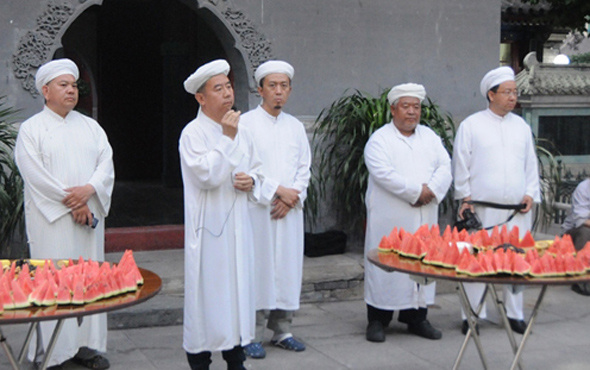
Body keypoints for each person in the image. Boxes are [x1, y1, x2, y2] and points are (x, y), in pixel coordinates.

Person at [14, 58, 114, 370]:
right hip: (53, 222)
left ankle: (86, 347)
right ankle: (51, 352)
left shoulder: (90, 126)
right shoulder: (31, 130)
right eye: (63, 85)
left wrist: (90, 189)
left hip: (87, 222)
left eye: (73, 85)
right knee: (54, 280)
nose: (71, 90)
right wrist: (75, 202)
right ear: (45, 91)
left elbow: (106, 163)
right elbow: (36, 176)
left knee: (89, 281)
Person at [179, 59, 262, 370]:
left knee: (237, 294)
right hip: (209, 233)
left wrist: (252, 181)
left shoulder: (244, 131)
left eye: (228, 86)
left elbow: (259, 170)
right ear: (201, 98)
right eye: (218, 89)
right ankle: (200, 359)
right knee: (208, 297)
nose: (228, 94)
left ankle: (235, 357)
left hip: (238, 228)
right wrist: (226, 139)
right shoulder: (193, 134)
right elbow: (207, 177)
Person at [452, 66, 541, 335]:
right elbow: (461, 164)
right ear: (491, 95)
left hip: (516, 212)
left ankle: (515, 314)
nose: (513, 97)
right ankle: (472, 315)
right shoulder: (471, 125)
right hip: (482, 210)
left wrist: (530, 193)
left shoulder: (521, 127)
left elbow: (530, 165)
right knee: (478, 261)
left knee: (516, 262)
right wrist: (464, 197)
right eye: (507, 92)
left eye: (515, 92)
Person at [363, 83, 452, 342]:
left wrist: (432, 190)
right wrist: (415, 192)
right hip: (391, 217)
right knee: (386, 267)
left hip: (424, 214)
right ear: (393, 109)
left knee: (421, 265)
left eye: (416, 107)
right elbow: (383, 174)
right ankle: (377, 320)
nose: (412, 112)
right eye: (406, 106)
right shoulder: (380, 139)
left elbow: (444, 166)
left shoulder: (430, 137)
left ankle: (417, 318)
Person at [240, 60, 311, 359]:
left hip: (289, 212)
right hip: (260, 211)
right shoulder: (245, 124)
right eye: (273, 86)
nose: (279, 92)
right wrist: (276, 192)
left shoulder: (295, 127)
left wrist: (293, 197)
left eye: (284, 86)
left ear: (290, 90)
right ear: (260, 90)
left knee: (287, 269)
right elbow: (244, 170)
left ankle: (282, 329)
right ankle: (251, 333)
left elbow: (304, 168)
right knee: (260, 269)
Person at [562, 178, 590, 295]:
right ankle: (580, 280)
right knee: (585, 231)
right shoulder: (583, 188)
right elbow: (581, 220)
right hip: (575, 231)